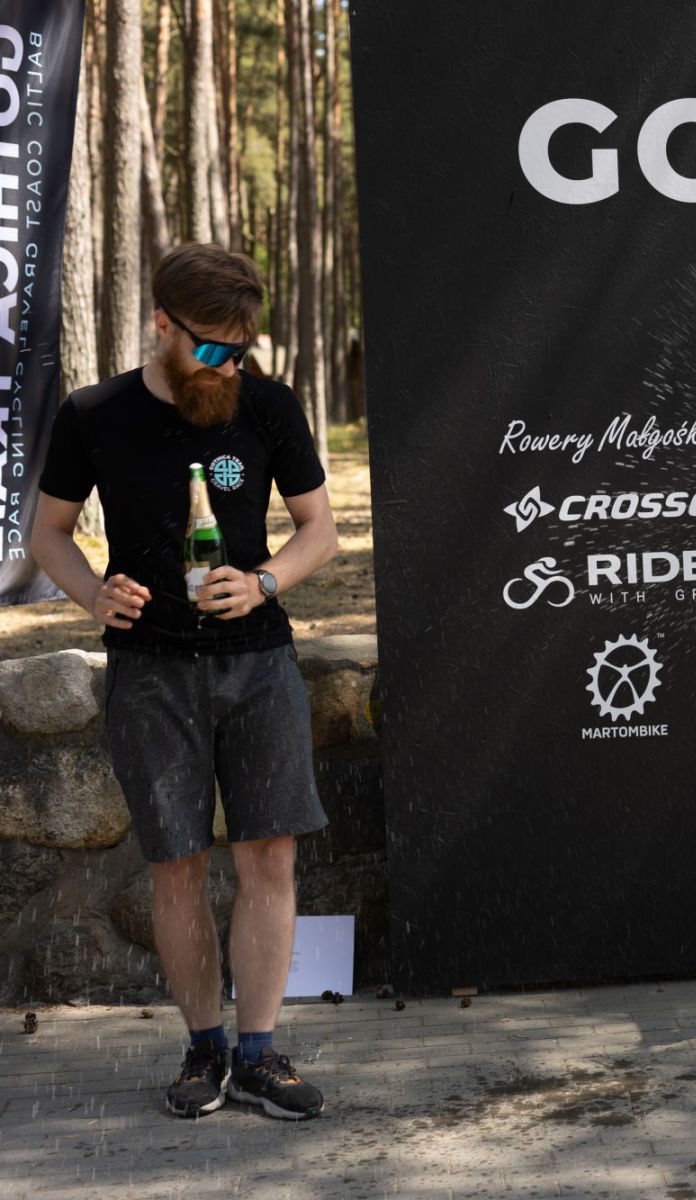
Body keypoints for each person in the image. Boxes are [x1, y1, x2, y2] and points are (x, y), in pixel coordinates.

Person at [30, 243, 339, 1119]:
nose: (228, 365)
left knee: (270, 855)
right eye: (211, 348)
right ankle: (204, 1050)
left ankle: (260, 1054)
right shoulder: (95, 414)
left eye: (242, 349)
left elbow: (320, 531)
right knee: (176, 866)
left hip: (259, 664)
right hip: (151, 672)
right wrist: (94, 593)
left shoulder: (269, 405)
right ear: (161, 324)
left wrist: (266, 580)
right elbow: (48, 533)